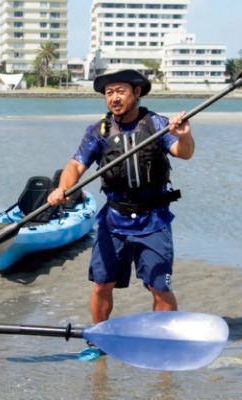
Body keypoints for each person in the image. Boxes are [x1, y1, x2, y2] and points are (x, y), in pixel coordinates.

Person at [47, 69, 194, 362]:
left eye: (120, 91)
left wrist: (185, 136)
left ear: (137, 93)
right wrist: (63, 187)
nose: (114, 98)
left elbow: (183, 152)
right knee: (102, 283)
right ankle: (98, 339)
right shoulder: (98, 131)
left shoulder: (158, 124)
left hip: (153, 220)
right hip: (114, 220)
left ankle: (162, 341)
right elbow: (76, 165)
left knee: (159, 286)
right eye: (109, 92)